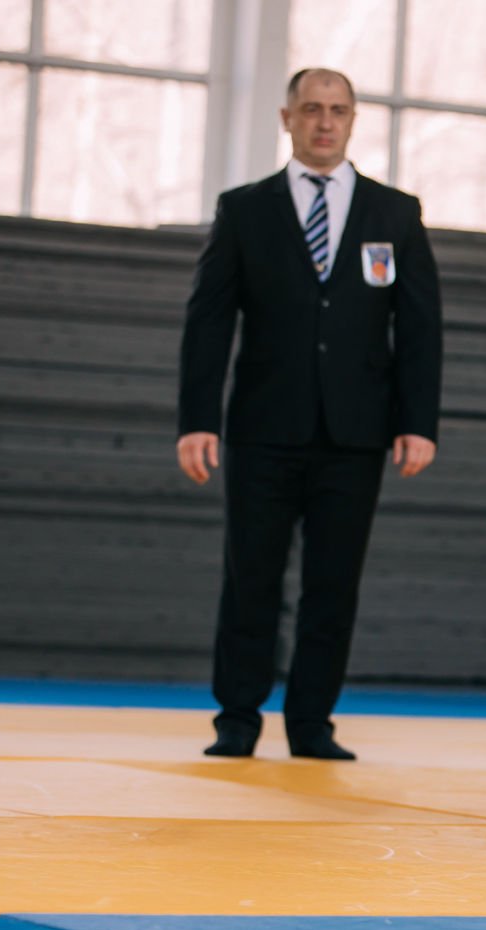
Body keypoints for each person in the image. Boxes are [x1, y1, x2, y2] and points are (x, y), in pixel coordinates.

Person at [176, 68, 443, 761]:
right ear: (286, 117)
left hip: (356, 432)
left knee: (333, 584)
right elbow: (208, 320)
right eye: (312, 109)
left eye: (339, 110)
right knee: (250, 578)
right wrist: (198, 419)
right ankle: (237, 718)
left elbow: (419, 326)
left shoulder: (395, 213)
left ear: (353, 120)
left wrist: (418, 421)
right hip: (262, 427)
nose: (325, 122)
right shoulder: (244, 210)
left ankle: (311, 722)